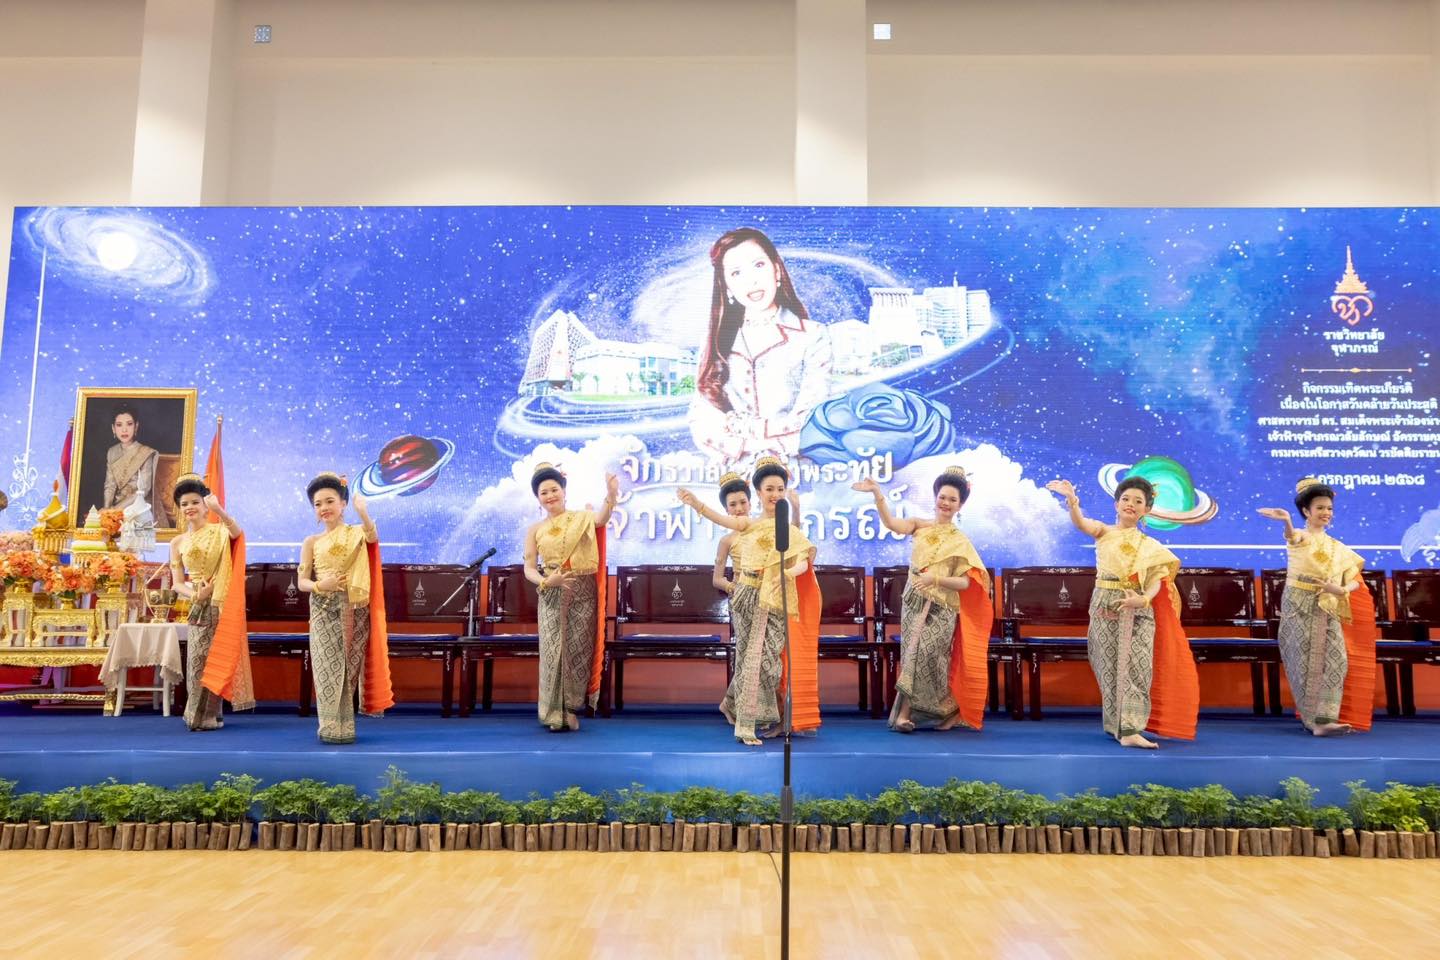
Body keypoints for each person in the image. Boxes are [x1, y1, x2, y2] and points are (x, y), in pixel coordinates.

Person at [1046, 476, 1198, 748]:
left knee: (1137, 667)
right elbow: (1081, 523)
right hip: (1105, 605)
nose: (1131, 504)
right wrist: (1072, 500)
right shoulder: (1104, 531)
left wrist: (1143, 599)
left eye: (1138, 501)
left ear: (1146, 510)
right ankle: (1117, 725)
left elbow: (1157, 579)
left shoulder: (1150, 546)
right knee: (1108, 666)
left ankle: (1131, 729)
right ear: (1116, 504)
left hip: (1138, 609)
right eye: (1126, 499)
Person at [678, 456, 821, 745]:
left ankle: (749, 710)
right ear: (759, 492)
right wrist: (697, 505)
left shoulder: (789, 530)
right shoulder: (747, 525)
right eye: (769, 489)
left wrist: (787, 572)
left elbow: (802, 559)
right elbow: (721, 520)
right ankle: (746, 725)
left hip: (778, 597)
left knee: (770, 663)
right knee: (750, 658)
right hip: (747, 595)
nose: (775, 494)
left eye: (780, 489)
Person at [854, 467, 993, 732]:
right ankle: (947, 712)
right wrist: (877, 494)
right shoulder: (919, 525)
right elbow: (891, 523)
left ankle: (909, 714)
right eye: (943, 497)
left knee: (928, 657)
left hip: (942, 608)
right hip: (914, 602)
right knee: (913, 656)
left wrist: (935, 579)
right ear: (935, 497)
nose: (946, 503)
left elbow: (965, 583)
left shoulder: (960, 541)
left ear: (960, 505)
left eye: (952, 499)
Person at [689, 228, 833, 461]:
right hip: (733, 474)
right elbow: (702, 421)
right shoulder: (715, 339)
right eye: (736, 273)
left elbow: (812, 417)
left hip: (795, 469)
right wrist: (748, 445)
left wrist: (750, 429)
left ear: (776, 270)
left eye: (758, 265)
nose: (751, 280)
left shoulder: (812, 335)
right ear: (726, 286)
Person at [1257, 478, 1377, 735]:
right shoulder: (1301, 536)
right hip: (1299, 603)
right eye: (1320, 507)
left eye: (1329, 508)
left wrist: (1341, 590)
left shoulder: (1337, 547)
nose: (1326, 512)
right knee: (1304, 663)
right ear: (1306, 511)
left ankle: (1326, 718)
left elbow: (1354, 580)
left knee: (1337, 660)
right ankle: (1314, 722)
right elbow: (1292, 537)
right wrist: (1286, 521)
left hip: (1327, 606)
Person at [523, 462, 618, 732]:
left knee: (578, 650)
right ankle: (553, 712)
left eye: (554, 489)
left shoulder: (581, 517)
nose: (550, 496)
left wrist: (611, 495)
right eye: (543, 492)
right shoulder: (535, 529)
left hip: (583, 591)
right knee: (553, 652)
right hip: (552, 591)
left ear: (564, 491)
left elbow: (601, 519)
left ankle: (570, 708)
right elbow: (529, 568)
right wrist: (546, 581)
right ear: (538, 498)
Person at [297, 473, 391, 744]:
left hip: (354, 609)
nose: (324, 508)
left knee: (348, 667)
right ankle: (329, 726)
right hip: (322, 608)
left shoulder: (357, 533)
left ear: (343, 504)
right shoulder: (311, 541)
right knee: (326, 668)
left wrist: (363, 512)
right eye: (318, 504)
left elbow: (372, 536)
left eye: (330, 501)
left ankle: (345, 727)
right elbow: (302, 582)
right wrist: (320, 585)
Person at [167, 473, 253, 730]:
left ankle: (210, 715)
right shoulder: (177, 542)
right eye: (184, 504)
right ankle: (197, 715)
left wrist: (220, 510)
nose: (189, 507)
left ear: (205, 506)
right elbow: (177, 583)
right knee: (197, 663)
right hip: (198, 606)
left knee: (218, 660)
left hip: (221, 604)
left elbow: (238, 534)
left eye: (195, 502)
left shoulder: (219, 531)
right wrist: (196, 594)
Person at [101, 404, 160, 521]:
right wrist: (106, 511)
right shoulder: (112, 452)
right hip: (115, 508)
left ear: (136, 426)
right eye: (119, 425)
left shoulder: (145, 453)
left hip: (138, 507)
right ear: (113, 428)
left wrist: (115, 510)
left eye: (129, 424)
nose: (124, 430)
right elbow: (110, 485)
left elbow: (143, 491)